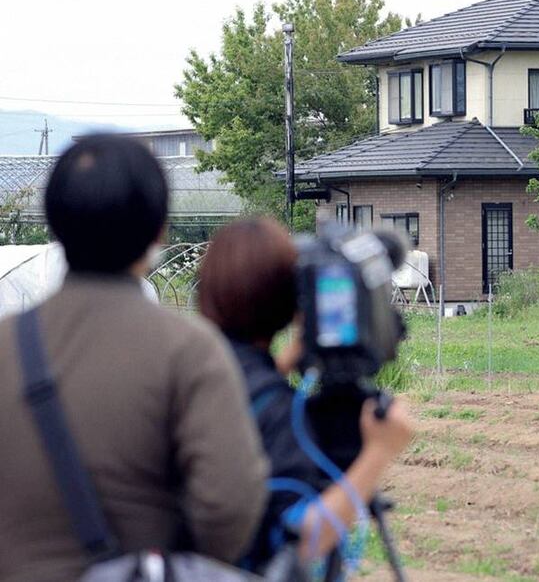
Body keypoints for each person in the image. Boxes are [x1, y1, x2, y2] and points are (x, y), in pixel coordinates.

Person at [0, 136, 269, 582]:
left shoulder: (6, 342)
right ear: (159, 229)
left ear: (53, 221)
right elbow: (229, 505)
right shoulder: (189, 349)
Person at [197, 216, 413, 571]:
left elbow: (239, 392)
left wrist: (284, 363)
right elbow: (306, 541)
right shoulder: (278, 411)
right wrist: (378, 453)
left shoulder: (196, 369)